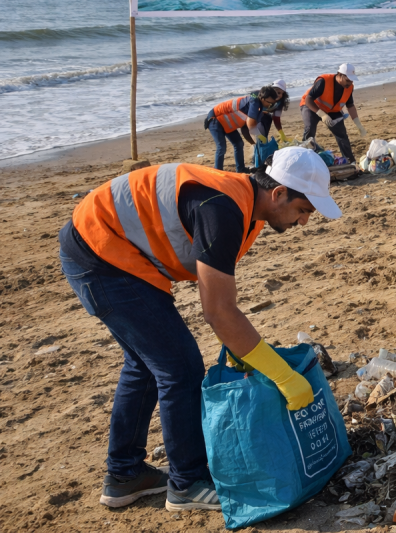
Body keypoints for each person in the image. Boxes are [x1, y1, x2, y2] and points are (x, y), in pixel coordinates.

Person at [58, 147, 342, 511]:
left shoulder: (247, 207)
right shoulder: (222, 208)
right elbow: (219, 312)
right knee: (180, 367)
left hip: (112, 250)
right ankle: (187, 484)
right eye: (304, 210)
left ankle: (125, 475)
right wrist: (282, 375)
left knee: (147, 363)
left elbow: (216, 293)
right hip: (101, 253)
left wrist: (242, 346)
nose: (303, 222)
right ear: (279, 193)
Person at [300, 63, 366, 164]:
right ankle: (304, 158)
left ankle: (350, 161)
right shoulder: (324, 81)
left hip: (332, 111)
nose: (350, 83)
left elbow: (350, 106)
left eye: (352, 80)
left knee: (342, 134)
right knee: (309, 129)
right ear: (340, 75)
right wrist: (322, 114)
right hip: (312, 107)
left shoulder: (349, 87)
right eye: (348, 80)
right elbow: (309, 99)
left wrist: (358, 124)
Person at [205, 90, 269, 173]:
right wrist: (254, 143)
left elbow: (245, 129)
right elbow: (246, 130)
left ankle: (240, 169)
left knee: (239, 144)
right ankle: (218, 171)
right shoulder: (251, 106)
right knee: (221, 147)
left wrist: (254, 144)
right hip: (215, 120)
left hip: (227, 124)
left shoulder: (255, 108)